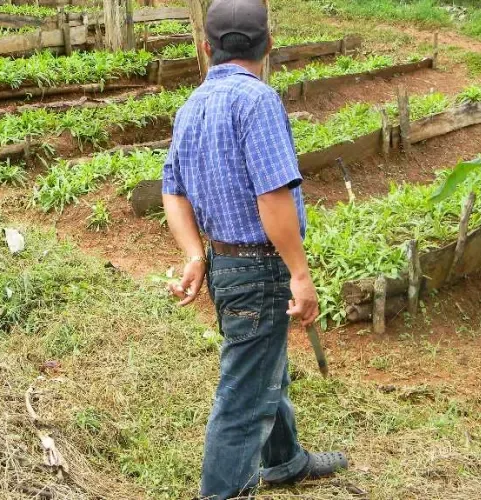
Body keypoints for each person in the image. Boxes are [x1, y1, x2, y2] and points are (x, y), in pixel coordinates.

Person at [161, 0, 349, 498]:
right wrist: (301, 274)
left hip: (225, 266)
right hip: (259, 267)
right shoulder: (258, 101)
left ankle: (284, 461)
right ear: (268, 45)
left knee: (263, 360)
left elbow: (172, 190)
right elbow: (272, 196)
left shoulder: (192, 106)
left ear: (207, 48)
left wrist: (194, 256)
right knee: (244, 398)